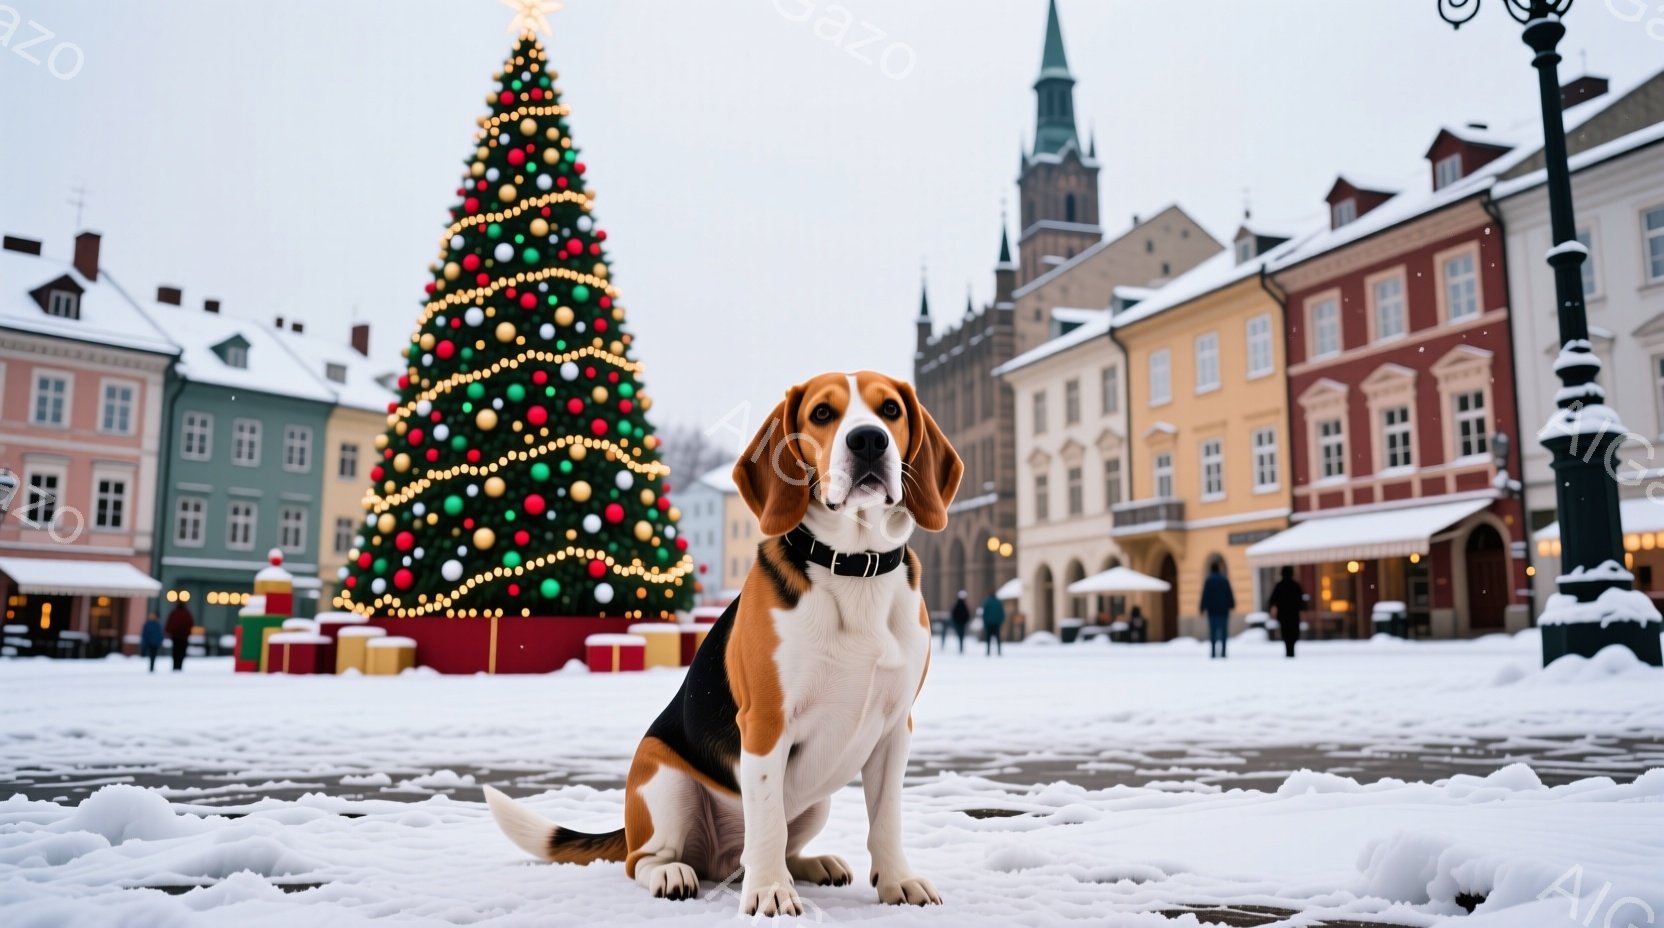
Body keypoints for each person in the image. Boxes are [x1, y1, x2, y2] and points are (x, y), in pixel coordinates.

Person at [1267, 566, 1307, 658]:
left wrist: (1272, 611)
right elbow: (1301, 601)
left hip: (1283, 614)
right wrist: (1302, 611)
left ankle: (1289, 650)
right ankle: (1291, 650)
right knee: (1293, 633)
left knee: (1286, 633)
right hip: (1294, 614)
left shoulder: (1279, 585)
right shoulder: (1295, 586)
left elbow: (1272, 600)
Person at [1199, 562, 1236, 659]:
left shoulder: (1208, 581)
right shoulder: (1224, 580)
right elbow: (1229, 593)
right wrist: (1232, 604)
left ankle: (1213, 653)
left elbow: (1205, 595)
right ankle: (1223, 653)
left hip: (1212, 611)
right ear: (1218, 569)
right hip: (1223, 610)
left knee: (1213, 633)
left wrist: (1202, 608)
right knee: (1223, 632)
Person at [165, 601, 195, 671]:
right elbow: (190, 624)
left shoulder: (174, 613)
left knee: (175, 652)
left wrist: (169, 632)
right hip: (184, 637)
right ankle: (179, 666)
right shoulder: (187, 613)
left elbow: (169, 623)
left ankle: (175, 666)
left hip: (176, 636)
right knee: (181, 652)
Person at [980, 589, 1005, 656]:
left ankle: (988, 651)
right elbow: (1002, 612)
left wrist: (985, 621)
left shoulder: (987, 601)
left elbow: (984, 613)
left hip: (989, 623)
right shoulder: (998, 601)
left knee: (988, 638)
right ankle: (999, 651)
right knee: (998, 638)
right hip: (997, 623)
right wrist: (1001, 620)